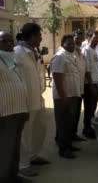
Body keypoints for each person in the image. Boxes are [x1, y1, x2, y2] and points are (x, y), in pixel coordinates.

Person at [14, 23, 49, 177]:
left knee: (40, 128)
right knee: (25, 134)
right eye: (40, 35)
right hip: (25, 101)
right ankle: (23, 165)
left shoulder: (34, 52)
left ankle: (33, 155)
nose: (41, 38)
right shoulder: (17, 53)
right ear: (33, 36)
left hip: (38, 99)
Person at [0, 31, 29, 183]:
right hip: (5, 113)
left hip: (19, 111)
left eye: (11, 41)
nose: (9, 44)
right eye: (4, 41)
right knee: (5, 149)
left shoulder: (14, 61)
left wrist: (26, 109)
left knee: (15, 148)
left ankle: (14, 176)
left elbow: (22, 85)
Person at [51, 35, 81, 159]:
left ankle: (67, 144)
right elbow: (57, 78)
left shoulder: (71, 55)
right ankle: (64, 149)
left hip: (72, 94)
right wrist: (63, 97)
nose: (71, 46)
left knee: (69, 122)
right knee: (63, 122)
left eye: (73, 43)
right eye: (68, 43)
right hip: (64, 96)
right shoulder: (59, 57)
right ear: (62, 44)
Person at [82, 30, 98, 138]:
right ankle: (87, 129)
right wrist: (91, 86)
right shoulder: (86, 50)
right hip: (89, 84)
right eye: (94, 38)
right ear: (88, 38)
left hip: (95, 82)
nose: (96, 40)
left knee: (93, 107)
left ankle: (89, 128)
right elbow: (87, 70)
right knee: (89, 108)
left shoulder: (94, 50)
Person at [72, 30, 87, 141]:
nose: (79, 40)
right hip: (71, 90)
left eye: (81, 38)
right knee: (69, 116)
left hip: (80, 88)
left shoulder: (80, 53)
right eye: (77, 38)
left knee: (76, 114)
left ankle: (73, 134)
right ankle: (64, 140)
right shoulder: (67, 53)